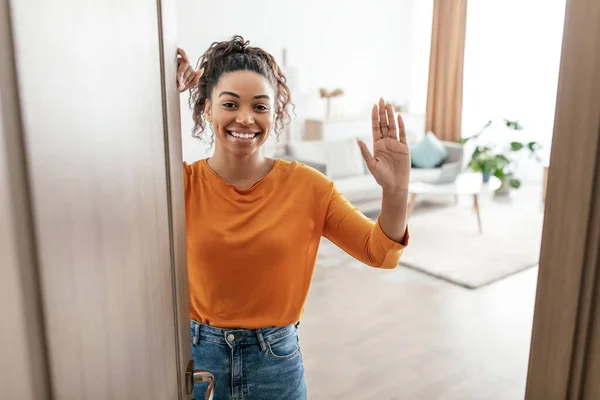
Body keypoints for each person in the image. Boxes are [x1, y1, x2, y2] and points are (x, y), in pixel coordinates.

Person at [176, 35, 410, 400]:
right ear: (207, 109)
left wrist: (395, 192)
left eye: (260, 107)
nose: (245, 118)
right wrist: (157, 95)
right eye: (230, 103)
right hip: (200, 364)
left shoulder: (309, 187)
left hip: (275, 365)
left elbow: (379, 252)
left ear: (275, 113)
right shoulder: (179, 184)